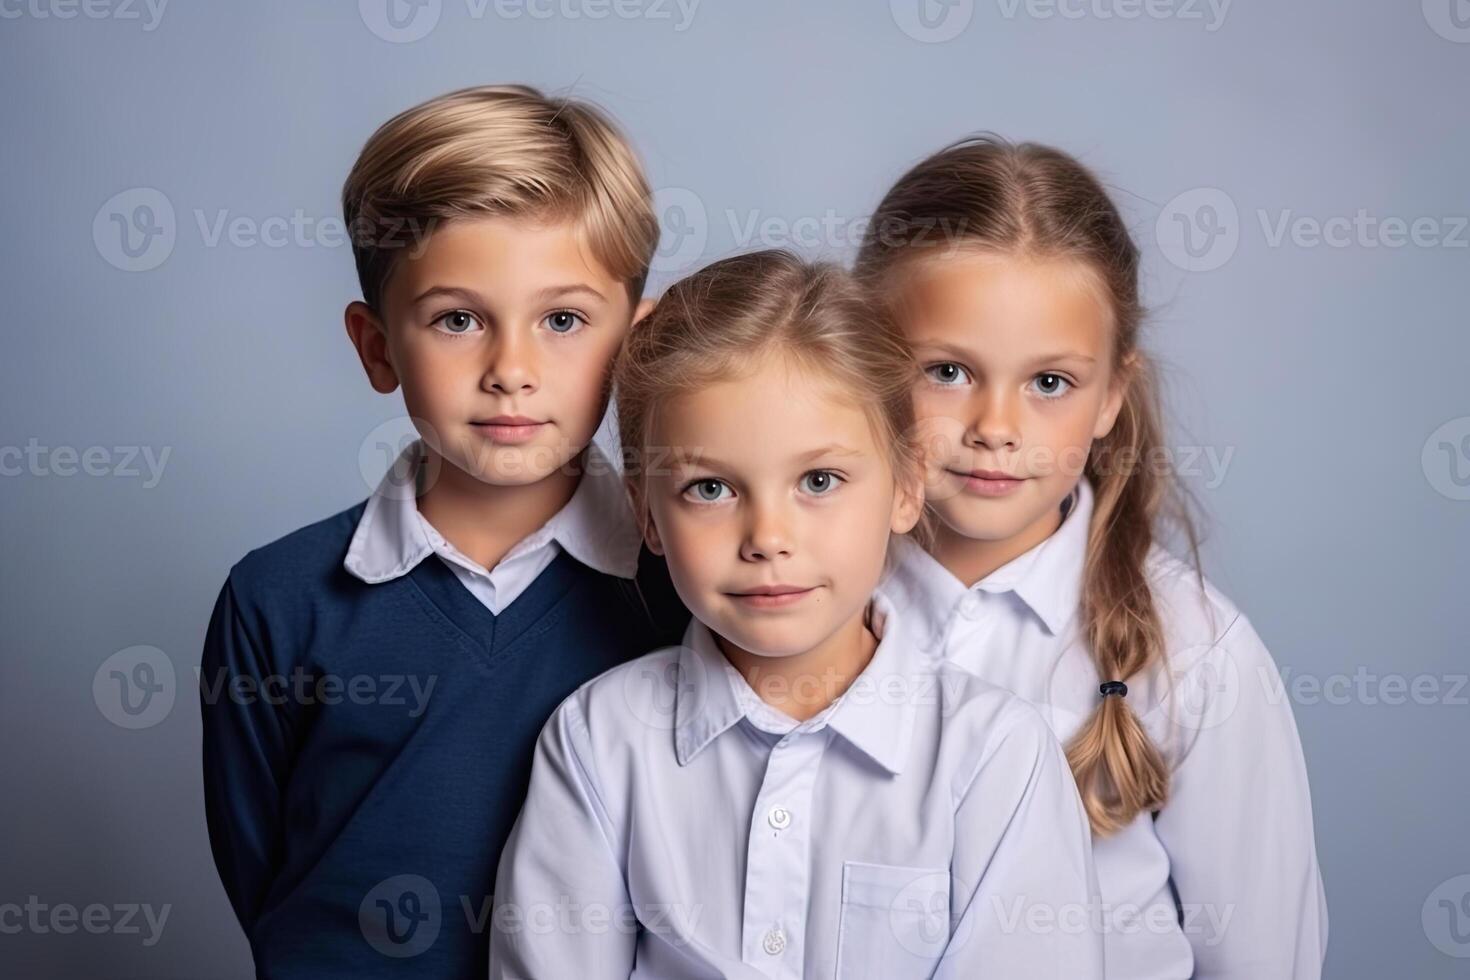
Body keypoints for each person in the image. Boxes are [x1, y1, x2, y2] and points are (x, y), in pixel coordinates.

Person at [490, 250, 1104, 979]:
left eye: (819, 480)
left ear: (906, 486)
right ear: (645, 513)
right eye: (710, 489)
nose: (768, 540)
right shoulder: (600, 741)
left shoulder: (994, 755)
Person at [199, 84, 687, 978]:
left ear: (637, 349)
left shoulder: (689, 591)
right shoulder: (278, 601)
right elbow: (263, 871)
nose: (512, 371)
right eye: (457, 320)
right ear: (378, 346)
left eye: (564, 320)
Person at [856, 135, 1329, 979]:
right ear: (859, 363)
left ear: (1112, 394)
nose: (996, 427)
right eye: (948, 371)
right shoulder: (785, 597)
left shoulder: (1195, 652)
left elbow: (1262, 958)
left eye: (1050, 383)